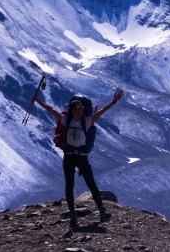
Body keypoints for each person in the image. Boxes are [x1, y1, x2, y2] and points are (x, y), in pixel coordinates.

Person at [33, 88, 125, 226]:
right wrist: (38, 101)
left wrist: (114, 102)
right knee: (70, 185)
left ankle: (101, 211)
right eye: (78, 107)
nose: (80, 109)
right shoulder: (66, 120)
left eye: (82, 107)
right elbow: (50, 109)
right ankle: (74, 215)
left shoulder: (86, 121)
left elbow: (102, 111)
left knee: (91, 184)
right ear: (72, 109)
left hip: (80, 157)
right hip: (71, 157)